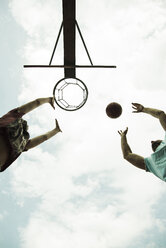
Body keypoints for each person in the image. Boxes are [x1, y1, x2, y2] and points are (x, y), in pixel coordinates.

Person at [0, 97, 62, 172]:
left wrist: (48, 99)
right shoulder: (22, 145)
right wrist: (55, 130)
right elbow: (44, 137)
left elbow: (37, 102)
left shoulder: (10, 119)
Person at [118, 103, 166, 182]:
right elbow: (160, 114)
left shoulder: (151, 163)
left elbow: (127, 155)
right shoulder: (151, 162)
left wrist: (123, 136)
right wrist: (143, 109)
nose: (152, 141)